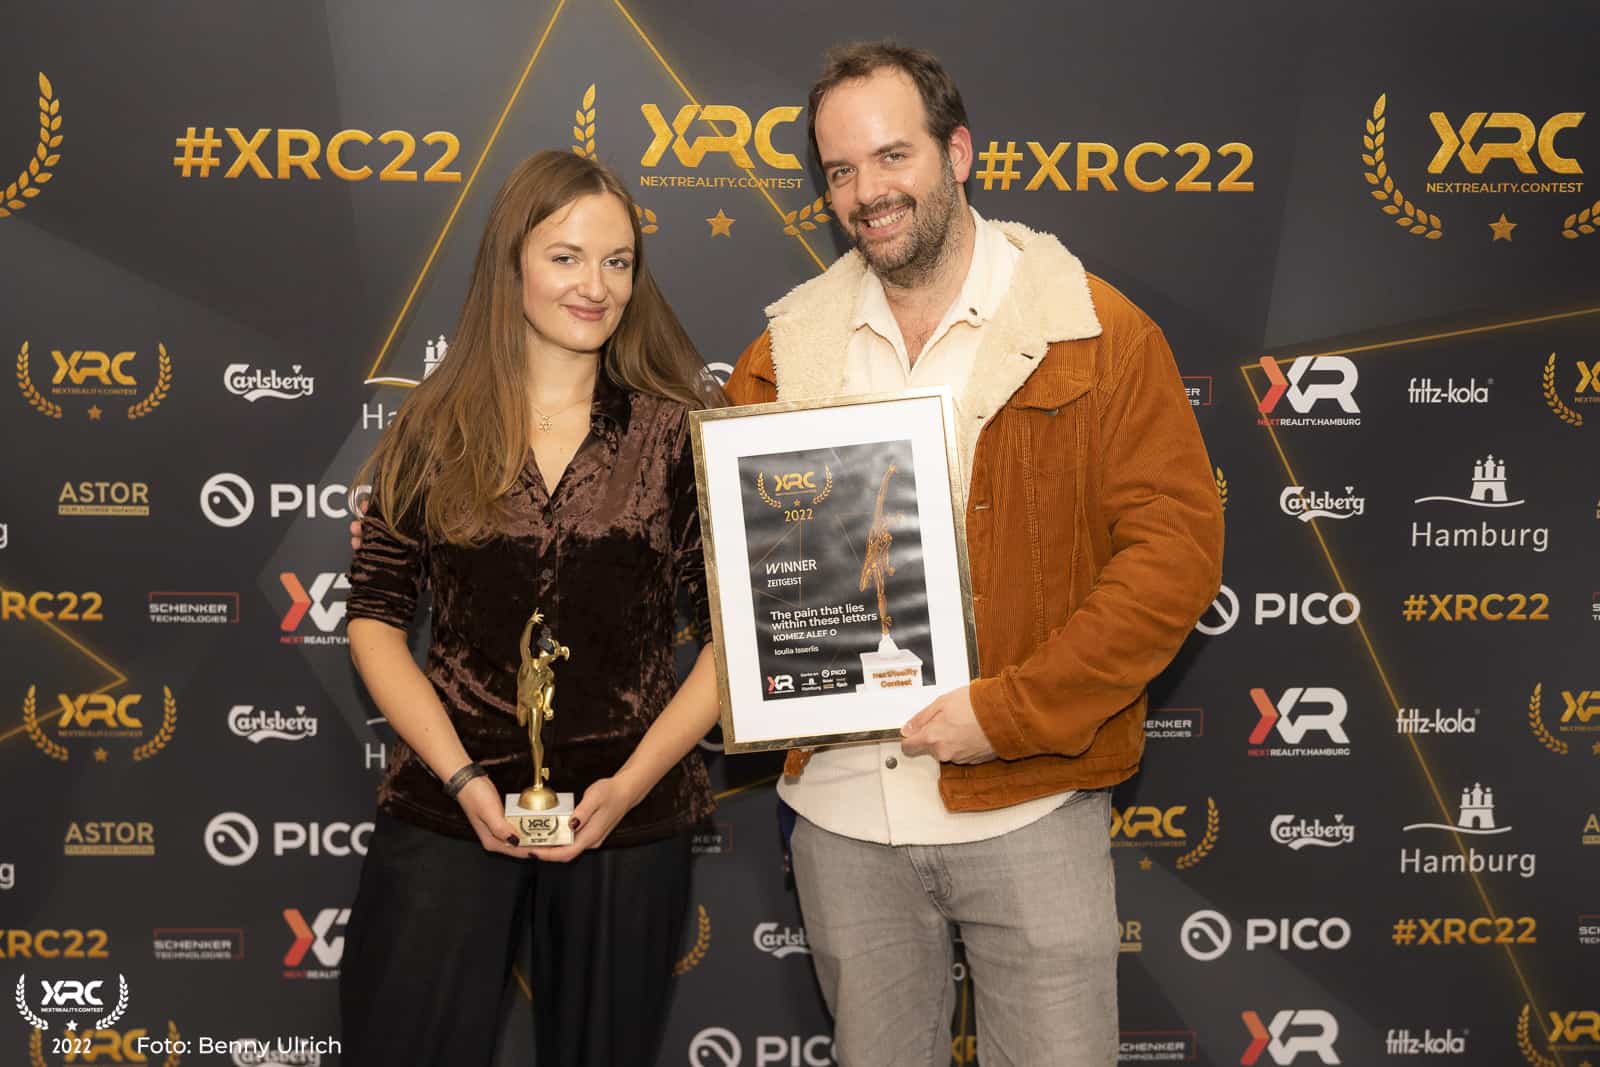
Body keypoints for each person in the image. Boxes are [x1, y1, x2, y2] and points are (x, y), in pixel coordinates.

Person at [723, 42, 1225, 1067]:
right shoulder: (781, 355)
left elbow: (1172, 559)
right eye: (840, 170)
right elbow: (751, 579)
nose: (867, 192)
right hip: (844, 815)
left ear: (956, 154)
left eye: (891, 156)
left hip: (1028, 800)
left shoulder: (1095, 331)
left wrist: (1009, 713)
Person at [339, 150, 723, 1067]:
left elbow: (730, 641)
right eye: (566, 257)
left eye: (618, 261)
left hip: (626, 817)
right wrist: (463, 779)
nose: (596, 285)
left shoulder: (677, 433)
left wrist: (629, 786)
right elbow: (376, 619)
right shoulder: (432, 427)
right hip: (450, 801)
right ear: (511, 260)